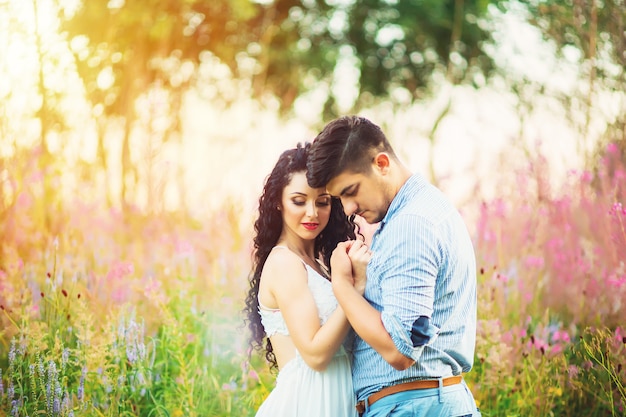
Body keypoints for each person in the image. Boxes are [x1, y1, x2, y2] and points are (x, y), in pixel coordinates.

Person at [307, 116, 481, 417]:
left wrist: (342, 286)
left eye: (350, 191)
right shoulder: (418, 212)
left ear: (382, 164)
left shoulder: (411, 225)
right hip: (420, 404)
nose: (348, 209)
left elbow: (398, 350)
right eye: (339, 199)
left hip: (414, 406)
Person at [243, 142, 371, 417]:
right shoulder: (283, 262)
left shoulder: (321, 266)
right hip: (307, 403)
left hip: (338, 401)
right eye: (299, 201)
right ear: (278, 202)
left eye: (322, 202)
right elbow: (314, 354)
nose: (312, 212)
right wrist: (354, 287)